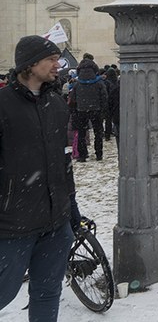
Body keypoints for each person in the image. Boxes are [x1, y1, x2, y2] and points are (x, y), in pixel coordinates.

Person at [0, 36, 76, 321]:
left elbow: (64, 159)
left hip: (56, 223)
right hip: (12, 226)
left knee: (47, 292)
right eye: (51, 59)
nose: (59, 64)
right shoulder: (3, 105)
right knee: (4, 292)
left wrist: (72, 208)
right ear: (30, 65)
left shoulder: (56, 104)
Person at [69, 57, 108, 161]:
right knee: (98, 133)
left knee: (82, 133)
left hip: (81, 110)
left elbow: (72, 99)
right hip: (96, 110)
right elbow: (104, 97)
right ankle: (99, 154)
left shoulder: (77, 84)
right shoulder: (99, 83)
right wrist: (103, 111)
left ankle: (82, 155)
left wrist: (75, 109)